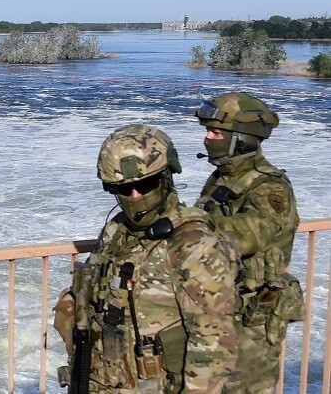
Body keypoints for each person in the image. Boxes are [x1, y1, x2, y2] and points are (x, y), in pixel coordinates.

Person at [53, 124, 237, 393]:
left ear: (166, 176)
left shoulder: (192, 242)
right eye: (123, 189)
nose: (135, 196)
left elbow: (214, 341)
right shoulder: (117, 229)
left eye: (145, 184)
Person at [193, 92, 304, 394]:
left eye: (215, 132)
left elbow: (246, 235)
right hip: (219, 309)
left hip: (252, 317)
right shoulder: (222, 177)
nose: (207, 138)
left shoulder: (268, 187)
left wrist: (185, 225)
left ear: (242, 139)